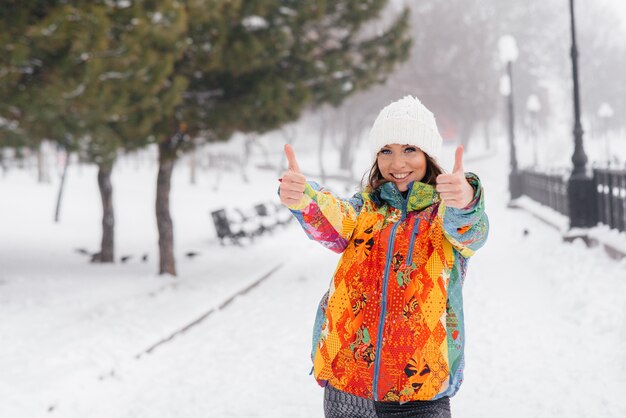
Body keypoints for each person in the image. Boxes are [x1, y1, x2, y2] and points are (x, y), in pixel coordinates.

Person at [279, 96, 489, 418]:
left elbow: (471, 231)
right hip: (348, 384)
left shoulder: (444, 216)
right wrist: (304, 197)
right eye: (386, 151)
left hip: (420, 388)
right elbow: (332, 217)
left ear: (428, 156)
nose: (397, 163)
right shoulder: (364, 209)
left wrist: (464, 201)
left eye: (409, 150)